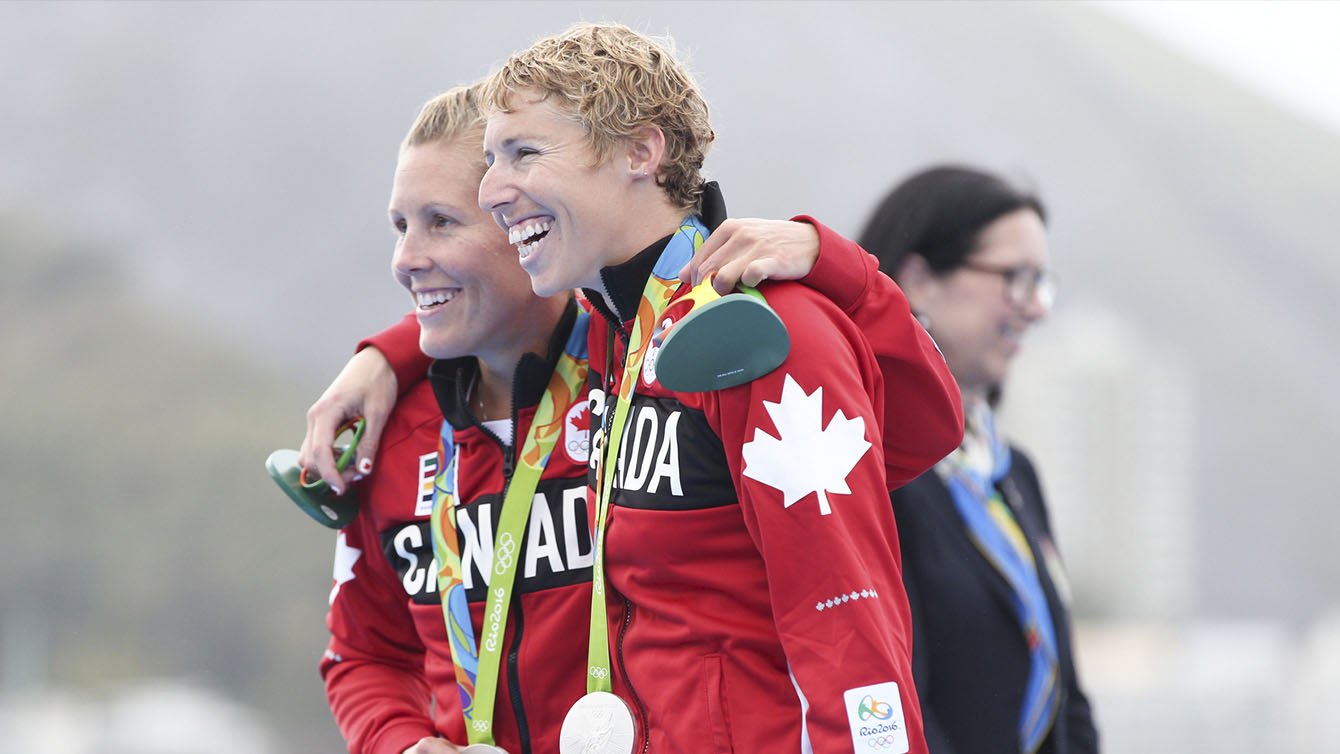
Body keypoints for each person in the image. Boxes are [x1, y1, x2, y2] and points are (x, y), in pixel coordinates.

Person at [306, 80, 958, 753]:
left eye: (443, 221)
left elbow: (910, 435)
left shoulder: (641, 370)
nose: (405, 260)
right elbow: (362, 655)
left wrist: (832, 262)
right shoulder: (387, 435)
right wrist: (401, 745)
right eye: (400, 226)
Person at [857, 165, 1100, 754]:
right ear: (916, 280)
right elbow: (895, 701)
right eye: (1015, 278)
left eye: (1040, 283)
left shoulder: (1011, 472)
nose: (1035, 308)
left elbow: (1068, 693)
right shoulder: (876, 468)